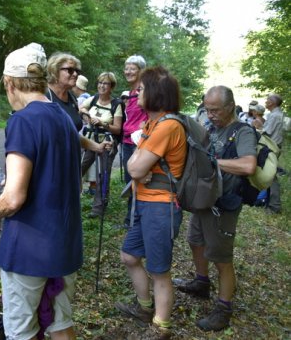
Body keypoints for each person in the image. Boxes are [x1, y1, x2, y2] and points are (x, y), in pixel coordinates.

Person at [0, 42, 111, 340]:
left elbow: (13, 198)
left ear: (10, 84)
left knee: (22, 331)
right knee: (61, 324)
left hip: (28, 247)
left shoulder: (23, 120)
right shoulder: (64, 118)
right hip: (64, 243)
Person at [175, 86, 257, 332]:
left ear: (230, 106)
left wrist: (212, 162)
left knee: (222, 258)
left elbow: (248, 166)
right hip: (205, 200)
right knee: (195, 240)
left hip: (224, 205)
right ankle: (201, 283)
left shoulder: (243, 132)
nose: (210, 115)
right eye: (207, 110)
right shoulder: (211, 128)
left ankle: (224, 308)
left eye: (215, 110)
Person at [114, 67, 186, 339]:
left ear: (155, 92)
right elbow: (134, 166)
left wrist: (138, 168)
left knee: (159, 271)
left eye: (141, 89)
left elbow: (134, 169)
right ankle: (146, 307)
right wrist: (138, 167)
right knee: (130, 255)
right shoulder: (151, 124)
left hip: (160, 206)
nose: (136, 93)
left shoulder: (167, 126)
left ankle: (161, 327)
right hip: (144, 203)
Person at [79, 72, 124, 216]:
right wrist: (87, 116)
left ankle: (99, 207)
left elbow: (117, 129)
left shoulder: (117, 104)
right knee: (79, 168)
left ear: (112, 86)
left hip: (107, 143)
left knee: (103, 175)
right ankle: (69, 199)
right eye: (100, 82)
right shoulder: (93, 99)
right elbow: (81, 108)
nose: (101, 86)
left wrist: (103, 124)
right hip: (92, 141)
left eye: (105, 83)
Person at [121, 55, 149, 227]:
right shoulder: (130, 93)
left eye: (132, 68)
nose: (128, 71)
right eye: (126, 68)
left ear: (141, 71)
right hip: (126, 140)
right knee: (129, 180)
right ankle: (131, 218)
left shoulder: (144, 91)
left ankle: (137, 219)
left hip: (139, 141)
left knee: (137, 178)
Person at [262, 93, 284, 213]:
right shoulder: (276, 114)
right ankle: (270, 203)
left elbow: (267, 132)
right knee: (270, 174)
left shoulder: (274, 116)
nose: (266, 102)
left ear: (272, 102)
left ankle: (274, 206)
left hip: (272, 147)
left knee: (271, 175)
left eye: (267, 100)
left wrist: (257, 127)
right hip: (275, 146)